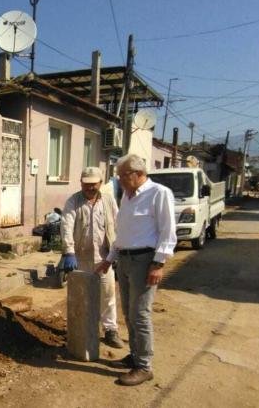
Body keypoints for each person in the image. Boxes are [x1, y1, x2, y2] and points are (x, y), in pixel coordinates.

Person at [95, 154, 176, 386]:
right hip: (126, 260)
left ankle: (144, 366)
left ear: (138, 174)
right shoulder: (127, 197)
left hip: (145, 260)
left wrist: (158, 263)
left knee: (140, 314)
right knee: (129, 312)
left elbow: (168, 231)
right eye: (119, 175)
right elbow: (122, 235)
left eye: (123, 175)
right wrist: (110, 259)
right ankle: (135, 355)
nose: (119, 180)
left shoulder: (159, 193)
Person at [60, 167, 124, 349]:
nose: (89, 188)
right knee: (82, 297)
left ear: (100, 183)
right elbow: (66, 225)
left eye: (93, 184)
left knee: (108, 295)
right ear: (81, 183)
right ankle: (82, 330)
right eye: (86, 184)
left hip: (104, 258)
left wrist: (116, 251)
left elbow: (117, 225)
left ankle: (110, 330)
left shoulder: (109, 201)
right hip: (80, 258)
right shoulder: (73, 201)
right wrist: (69, 251)